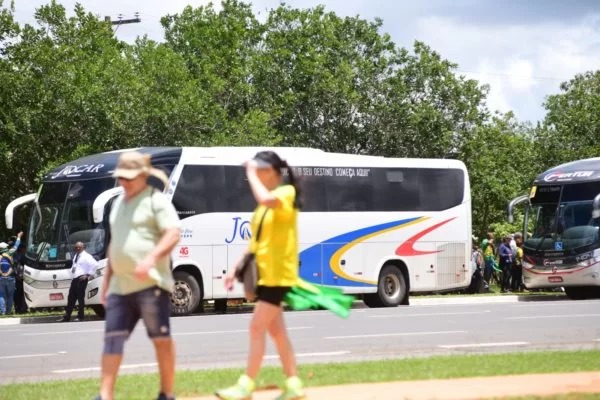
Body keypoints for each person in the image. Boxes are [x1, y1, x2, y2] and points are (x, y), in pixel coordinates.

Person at [215, 151, 305, 400]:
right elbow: (255, 243)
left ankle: (246, 386)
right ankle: (294, 384)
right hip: (266, 275)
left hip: (279, 275)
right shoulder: (264, 206)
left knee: (256, 327)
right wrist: (235, 268)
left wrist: (250, 173)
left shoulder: (285, 193)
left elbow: (266, 200)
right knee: (277, 333)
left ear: (273, 171)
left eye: (262, 169)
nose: (258, 174)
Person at [96, 151, 180, 400]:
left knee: (161, 340)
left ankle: (166, 393)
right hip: (120, 287)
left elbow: (173, 233)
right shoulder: (118, 204)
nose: (124, 182)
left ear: (143, 175)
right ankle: (105, 395)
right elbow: (115, 246)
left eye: (129, 177)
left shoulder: (156, 201)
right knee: (112, 340)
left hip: (151, 284)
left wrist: (151, 259)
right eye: (121, 177)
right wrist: (106, 283)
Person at [58, 242, 99, 322]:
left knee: (80, 298)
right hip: (75, 279)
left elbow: (95, 265)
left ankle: (80, 316)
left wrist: (87, 275)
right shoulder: (76, 255)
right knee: (71, 298)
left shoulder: (86, 256)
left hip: (82, 279)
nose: (77, 249)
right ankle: (67, 317)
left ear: (83, 247)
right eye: (76, 247)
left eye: (79, 247)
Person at [0, 232, 23, 315]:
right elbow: (16, 246)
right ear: (6, 247)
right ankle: (8, 311)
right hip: (10, 277)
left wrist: (2, 274)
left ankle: (2, 312)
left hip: (1, 278)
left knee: (1, 295)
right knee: (10, 295)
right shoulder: (9, 253)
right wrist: (19, 237)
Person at [13, 243, 28, 314]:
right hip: (19, 277)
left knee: (23, 294)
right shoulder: (17, 255)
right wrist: (17, 275)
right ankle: (18, 309)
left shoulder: (24, 255)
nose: (25, 250)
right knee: (18, 294)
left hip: (23, 277)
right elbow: (15, 266)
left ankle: (23, 308)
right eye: (24, 248)